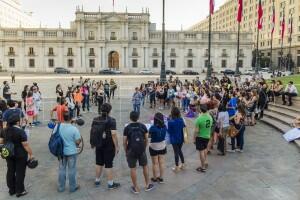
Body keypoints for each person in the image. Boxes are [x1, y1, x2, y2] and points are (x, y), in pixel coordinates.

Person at [0, 113, 34, 197]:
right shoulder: (20, 131)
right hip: (20, 154)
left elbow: (1, 141)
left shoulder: (4, 130)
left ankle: (12, 190)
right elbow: (25, 145)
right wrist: (31, 154)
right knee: (20, 172)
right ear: (17, 122)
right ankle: (20, 190)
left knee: (10, 171)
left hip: (9, 153)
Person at [90, 103, 120, 189]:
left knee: (98, 162)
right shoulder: (112, 120)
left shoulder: (95, 119)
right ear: (110, 111)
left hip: (98, 144)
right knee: (108, 164)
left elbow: (92, 131)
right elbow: (114, 135)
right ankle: (110, 184)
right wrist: (117, 146)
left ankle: (97, 180)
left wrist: (92, 143)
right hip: (109, 145)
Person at [123, 111, 154, 194]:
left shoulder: (127, 128)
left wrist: (126, 151)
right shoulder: (143, 126)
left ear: (130, 118)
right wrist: (144, 147)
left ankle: (136, 188)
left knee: (133, 168)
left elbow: (124, 141)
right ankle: (147, 184)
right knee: (145, 166)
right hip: (141, 150)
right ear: (138, 117)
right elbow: (147, 139)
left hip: (131, 150)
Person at [56, 111, 81, 192]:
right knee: (72, 170)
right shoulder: (74, 129)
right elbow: (77, 141)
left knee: (61, 169)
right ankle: (72, 187)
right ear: (71, 118)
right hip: (71, 151)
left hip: (61, 152)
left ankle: (61, 187)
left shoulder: (58, 127)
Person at [148, 112, 167, 183]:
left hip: (154, 146)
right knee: (161, 162)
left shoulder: (152, 128)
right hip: (162, 145)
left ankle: (155, 177)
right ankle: (161, 177)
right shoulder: (164, 126)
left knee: (155, 163)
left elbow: (149, 137)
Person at [194, 104, 213, 173]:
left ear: (201, 110)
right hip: (207, 136)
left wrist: (194, 138)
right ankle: (204, 162)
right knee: (204, 149)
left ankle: (203, 166)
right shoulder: (210, 117)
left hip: (200, 136)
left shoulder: (199, 119)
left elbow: (196, 131)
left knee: (201, 151)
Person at [167, 107, 185, 172]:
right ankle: (183, 164)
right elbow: (183, 127)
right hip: (181, 138)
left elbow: (169, 131)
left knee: (176, 152)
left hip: (174, 139)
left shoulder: (170, 122)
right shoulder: (181, 119)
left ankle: (176, 167)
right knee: (179, 150)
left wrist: (169, 120)